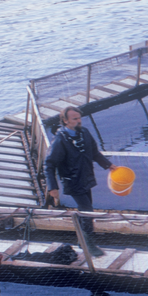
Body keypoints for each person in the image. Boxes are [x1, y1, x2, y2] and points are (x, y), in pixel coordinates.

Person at [45, 106, 114, 257]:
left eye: (79, 118)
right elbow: (49, 164)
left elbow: (95, 153)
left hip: (86, 178)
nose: (78, 121)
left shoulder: (84, 133)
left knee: (86, 210)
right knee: (87, 210)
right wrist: (53, 187)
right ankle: (88, 244)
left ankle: (81, 240)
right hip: (72, 181)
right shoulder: (60, 139)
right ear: (65, 121)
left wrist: (109, 165)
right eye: (74, 119)